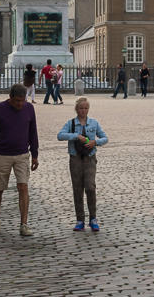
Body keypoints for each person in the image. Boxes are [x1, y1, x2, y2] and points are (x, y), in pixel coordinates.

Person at [0, 84, 39, 237]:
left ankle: (24, 224)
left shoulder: (29, 109)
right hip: (2, 155)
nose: (20, 104)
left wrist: (35, 154)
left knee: (23, 186)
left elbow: (33, 132)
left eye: (23, 100)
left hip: (22, 154)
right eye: (17, 101)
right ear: (10, 98)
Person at [57, 96, 108, 232]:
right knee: (77, 189)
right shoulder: (71, 123)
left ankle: (93, 218)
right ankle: (80, 219)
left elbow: (105, 138)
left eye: (86, 108)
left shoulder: (94, 123)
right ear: (76, 109)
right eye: (81, 108)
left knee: (90, 187)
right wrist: (75, 136)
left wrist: (95, 142)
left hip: (90, 158)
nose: (83, 111)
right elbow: (60, 135)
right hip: (76, 158)